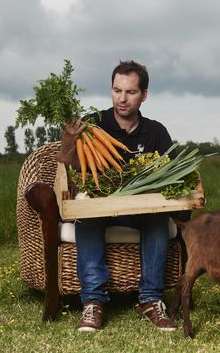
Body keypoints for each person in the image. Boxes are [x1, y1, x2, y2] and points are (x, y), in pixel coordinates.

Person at [57, 60, 177, 333]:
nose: (122, 99)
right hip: (100, 207)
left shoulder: (156, 132)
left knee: (157, 219)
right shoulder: (92, 125)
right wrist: (67, 140)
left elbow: (172, 174)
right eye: (116, 90)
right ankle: (93, 302)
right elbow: (66, 162)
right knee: (87, 218)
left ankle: (150, 299)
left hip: (139, 209)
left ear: (144, 95)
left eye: (131, 92)